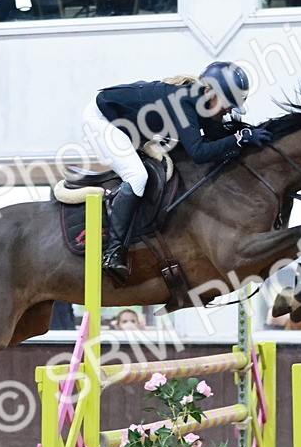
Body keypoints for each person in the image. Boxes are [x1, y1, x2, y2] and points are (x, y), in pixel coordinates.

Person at [84, 62, 273, 283]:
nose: (229, 110)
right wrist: (239, 139)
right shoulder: (184, 102)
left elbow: (216, 135)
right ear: (210, 92)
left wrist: (245, 133)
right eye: (228, 104)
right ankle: (113, 252)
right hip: (101, 122)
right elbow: (199, 152)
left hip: (128, 126)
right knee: (137, 177)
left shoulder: (203, 102)